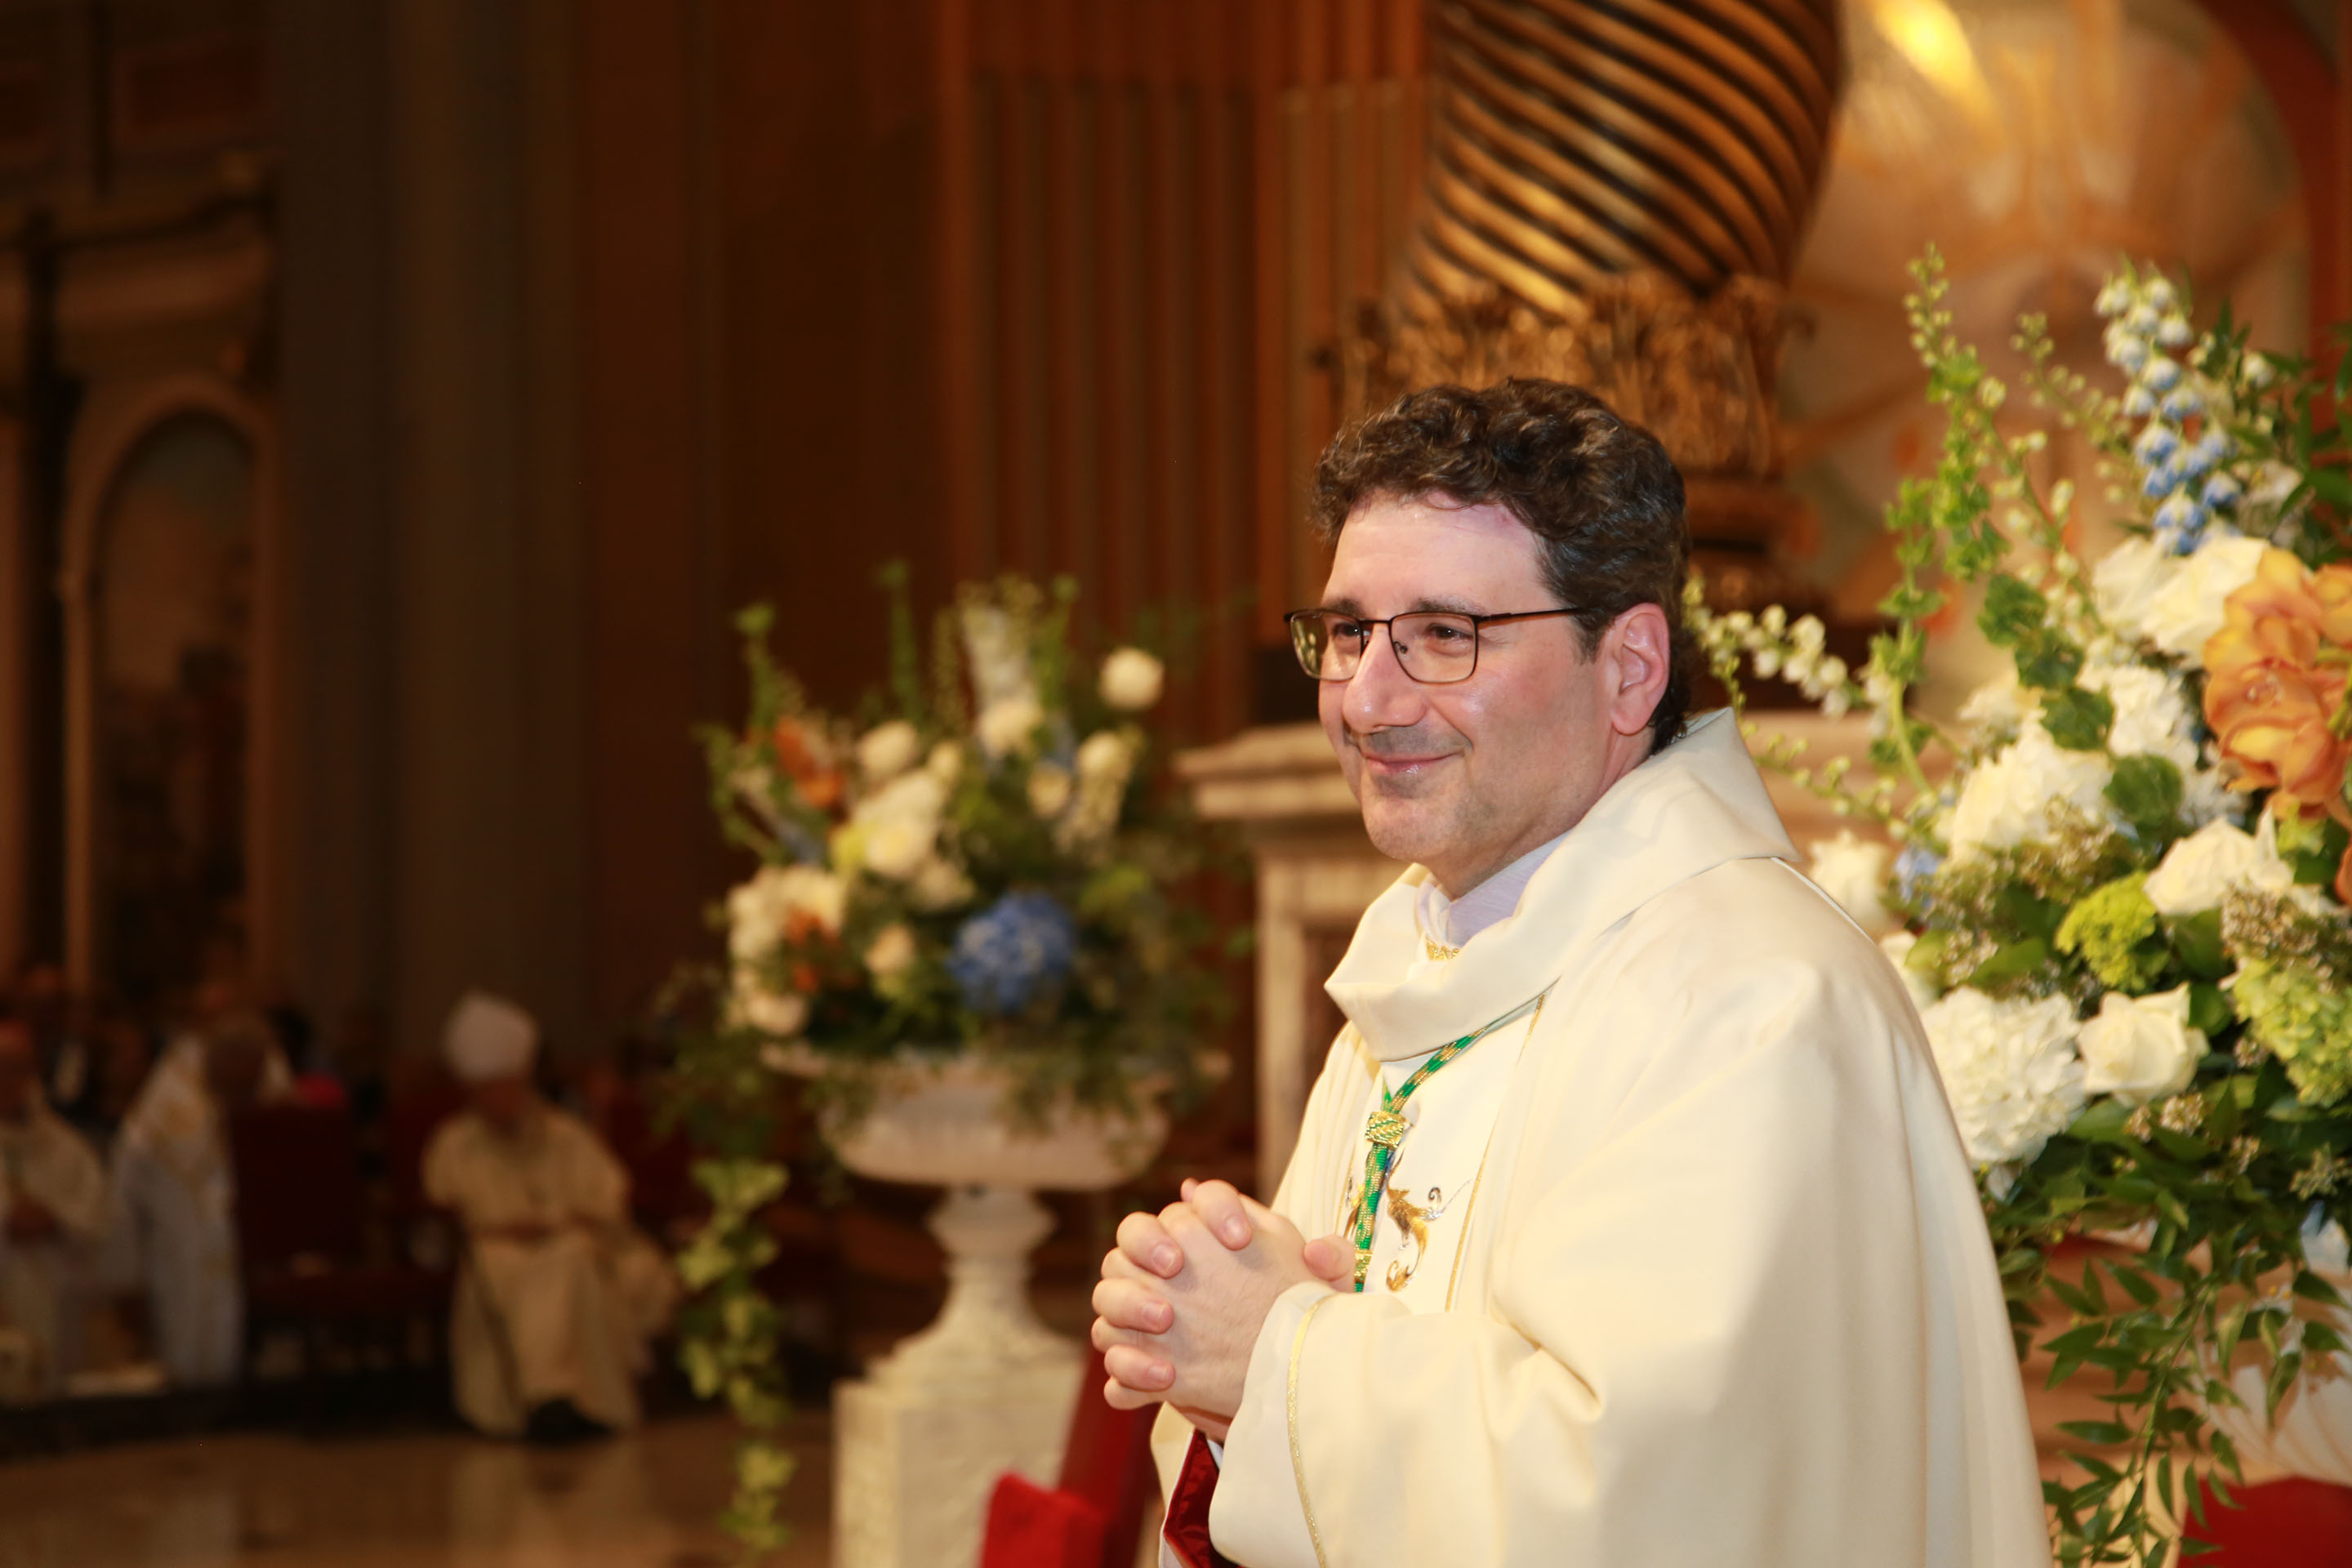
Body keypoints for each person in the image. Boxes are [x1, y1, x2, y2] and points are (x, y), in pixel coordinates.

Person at [1091, 381, 2047, 1567]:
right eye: (1346, 633)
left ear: (1631, 667)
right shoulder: (1419, 971)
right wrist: (1207, 1340)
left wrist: (1275, 1354)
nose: (1366, 700)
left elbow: (1653, 1500)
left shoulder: (1753, 999)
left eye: (1445, 635)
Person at [424, 990, 679, 1443]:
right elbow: (444, 1213)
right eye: (489, 1089)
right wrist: (510, 1227)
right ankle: (562, 1399)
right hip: (497, 1249)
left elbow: (606, 1198)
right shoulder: (453, 1143)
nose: (500, 1099)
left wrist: (562, 1221)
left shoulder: (564, 1133)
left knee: (572, 1254)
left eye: (508, 1085)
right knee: (527, 1264)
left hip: (572, 1243)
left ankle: (553, 1398)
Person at [112, 1004, 290, 1386]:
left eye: (250, 1083)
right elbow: (125, 1202)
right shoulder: (157, 1122)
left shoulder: (272, 1093)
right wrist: (128, 1280)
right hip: (179, 1256)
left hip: (259, 1250)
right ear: (214, 1067)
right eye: (236, 1083)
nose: (243, 1093)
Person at [0, 1017, 106, 1397]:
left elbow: (96, 1219)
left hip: (55, 1300)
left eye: (17, 1069)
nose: (7, 1080)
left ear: (34, 1073)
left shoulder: (67, 1147)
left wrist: (55, 1222)